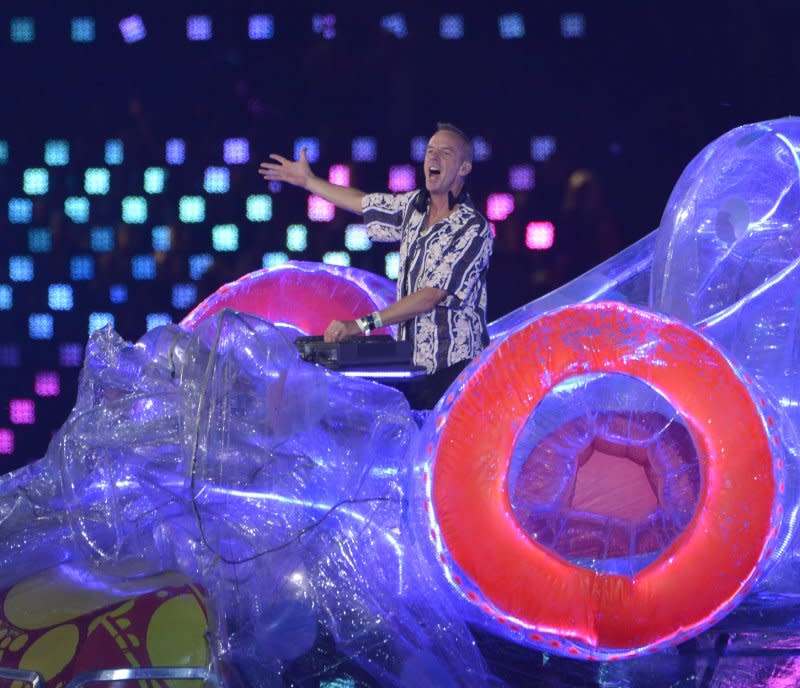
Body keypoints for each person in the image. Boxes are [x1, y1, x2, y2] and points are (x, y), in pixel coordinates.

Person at [258, 123, 493, 409]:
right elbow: (362, 203)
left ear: (464, 168)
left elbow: (431, 296)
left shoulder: (472, 226)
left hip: (457, 371)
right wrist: (309, 181)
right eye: (430, 151)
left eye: (445, 153)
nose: (434, 158)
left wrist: (362, 324)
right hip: (416, 366)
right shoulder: (413, 209)